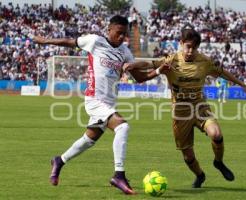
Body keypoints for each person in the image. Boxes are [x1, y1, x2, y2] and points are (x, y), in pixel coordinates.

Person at [33, 15, 169, 195]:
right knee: (123, 127)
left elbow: (140, 78)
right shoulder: (95, 41)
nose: (121, 37)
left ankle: (59, 160)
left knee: (88, 140)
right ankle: (118, 175)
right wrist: (45, 40)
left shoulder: (125, 52)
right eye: (118, 33)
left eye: (124, 34)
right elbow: (69, 41)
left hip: (109, 102)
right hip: (94, 99)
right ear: (109, 30)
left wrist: (159, 70)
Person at [124, 25, 246, 188]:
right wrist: (133, 65)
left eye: (194, 48)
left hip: (200, 107)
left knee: (216, 134)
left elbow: (222, 72)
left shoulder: (205, 61)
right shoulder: (171, 60)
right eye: (188, 47)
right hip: (180, 113)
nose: (190, 51)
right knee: (188, 156)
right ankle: (200, 175)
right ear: (181, 43)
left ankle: (219, 162)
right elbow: (150, 64)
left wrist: (242, 84)